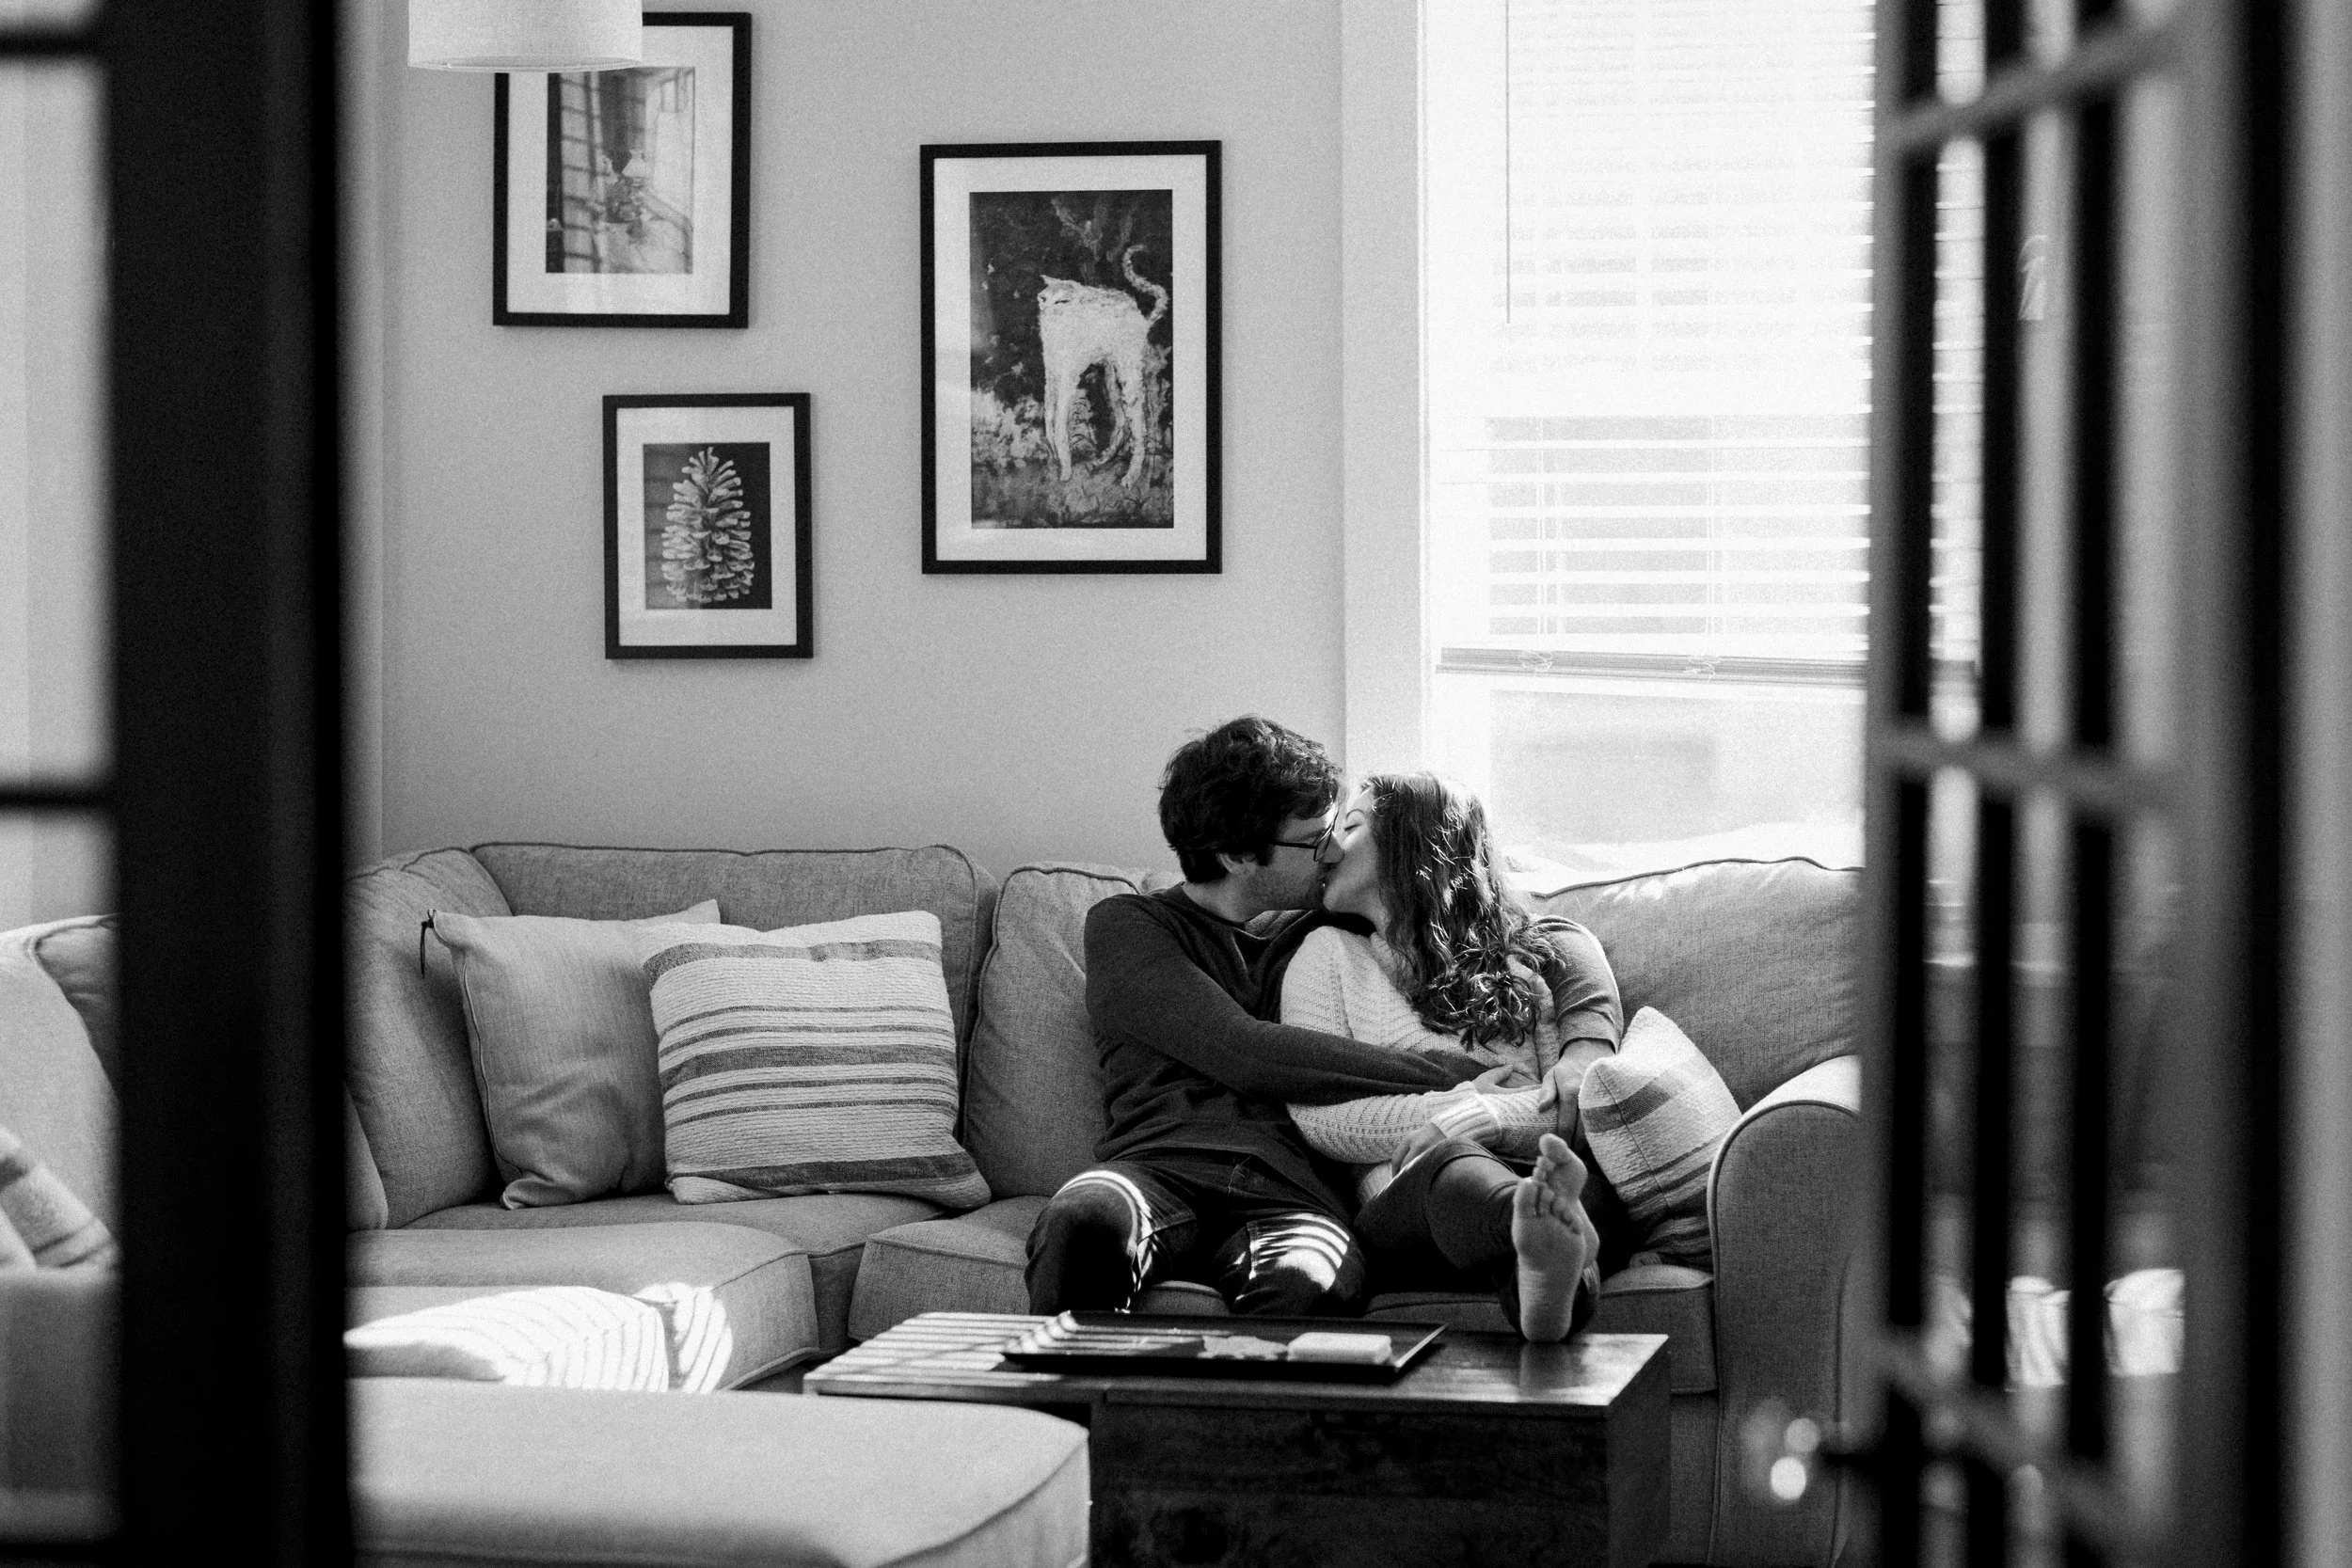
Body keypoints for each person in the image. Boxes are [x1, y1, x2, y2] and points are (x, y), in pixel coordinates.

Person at [1024, 718, 1495, 1318]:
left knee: (1308, 1278)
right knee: (1081, 1221)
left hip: (1294, 1194)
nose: (1334, 851)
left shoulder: (1328, 928)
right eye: (1315, 837)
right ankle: (1067, 1415)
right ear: (1238, 854)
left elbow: (1498, 920)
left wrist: (1584, 1036)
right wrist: (1447, 1075)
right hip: (1160, 1172)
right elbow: (1244, 1052)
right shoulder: (1129, 927)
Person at [1277, 772, 1623, 1340]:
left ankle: (1545, 1294)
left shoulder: (1518, 971)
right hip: (1412, 1197)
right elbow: (1321, 1117)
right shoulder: (1326, 957)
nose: (1329, 847)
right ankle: (1535, 1230)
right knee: (1457, 1168)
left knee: (1581, 1187)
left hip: (1524, 1165)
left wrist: (1471, 1117)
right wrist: (1454, 1115)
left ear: (1410, 842)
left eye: (1352, 825)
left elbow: (1561, 1109)